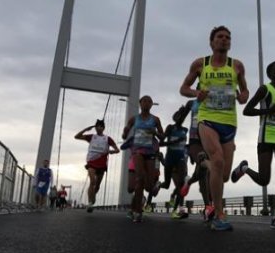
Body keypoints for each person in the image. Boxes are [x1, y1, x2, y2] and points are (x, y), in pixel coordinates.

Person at [180, 25, 249, 231]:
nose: (224, 39)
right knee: (218, 160)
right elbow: (183, 88)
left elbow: (244, 91)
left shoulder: (236, 66)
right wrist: (196, 94)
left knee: (223, 174)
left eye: (228, 37)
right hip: (207, 119)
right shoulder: (200, 64)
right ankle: (218, 214)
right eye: (220, 37)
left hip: (229, 122)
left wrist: (243, 96)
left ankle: (204, 164)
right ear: (211, 42)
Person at [231, 60, 275, 229]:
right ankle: (244, 169)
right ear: (270, 74)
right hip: (266, 136)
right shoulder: (265, 89)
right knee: (264, 180)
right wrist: (268, 111)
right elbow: (247, 110)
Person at [122, 95, 164, 223]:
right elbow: (125, 135)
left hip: (150, 151)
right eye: (144, 101)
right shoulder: (134, 119)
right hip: (137, 151)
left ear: (152, 104)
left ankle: (153, 187)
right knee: (140, 177)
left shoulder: (155, 120)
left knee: (149, 186)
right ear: (140, 103)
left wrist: (155, 133)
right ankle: (137, 211)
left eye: (149, 101)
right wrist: (125, 132)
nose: (146, 103)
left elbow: (162, 137)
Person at [74, 119, 119, 212]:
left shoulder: (107, 139)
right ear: (95, 128)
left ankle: (93, 196)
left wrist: (111, 151)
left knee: (97, 185)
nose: (99, 128)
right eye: (97, 126)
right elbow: (76, 137)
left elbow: (117, 150)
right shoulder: (91, 137)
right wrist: (86, 129)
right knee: (92, 181)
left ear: (103, 128)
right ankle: (90, 203)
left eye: (101, 126)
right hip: (91, 162)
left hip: (102, 163)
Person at [159, 102, 192, 219]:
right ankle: (159, 185)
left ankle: (178, 210)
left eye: (182, 116)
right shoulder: (170, 128)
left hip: (181, 159)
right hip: (170, 159)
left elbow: (188, 145)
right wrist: (174, 142)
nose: (180, 118)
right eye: (178, 116)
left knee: (182, 183)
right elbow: (161, 143)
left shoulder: (186, 130)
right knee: (167, 184)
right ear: (174, 118)